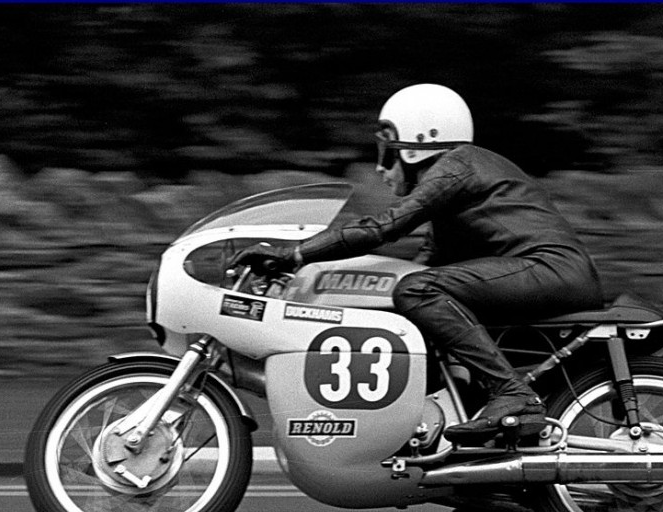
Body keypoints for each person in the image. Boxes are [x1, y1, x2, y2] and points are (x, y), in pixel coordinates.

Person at [230, 83, 603, 445]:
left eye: (387, 153)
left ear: (417, 146)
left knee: (417, 291)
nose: (380, 168)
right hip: (545, 273)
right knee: (414, 293)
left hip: (551, 269)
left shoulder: (458, 166)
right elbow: (419, 266)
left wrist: (295, 255)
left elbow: (383, 228)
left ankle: (513, 394)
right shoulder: (456, 197)